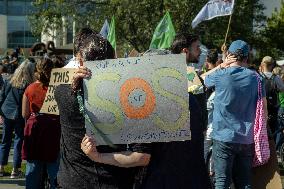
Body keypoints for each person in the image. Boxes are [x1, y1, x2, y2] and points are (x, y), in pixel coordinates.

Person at [55, 28, 150, 189]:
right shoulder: (131, 100)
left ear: (79, 62)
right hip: (115, 181)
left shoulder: (62, 93)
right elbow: (141, 157)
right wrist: (98, 157)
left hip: (73, 182)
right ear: (114, 60)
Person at [139, 33, 210, 189]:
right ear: (185, 51)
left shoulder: (192, 78)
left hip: (175, 165)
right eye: (197, 47)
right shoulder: (191, 78)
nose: (200, 51)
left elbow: (199, 123)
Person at [202, 40, 267, 189]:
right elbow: (263, 108)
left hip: (223, 137)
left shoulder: (220, 75)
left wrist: (221, 65)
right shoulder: (257, 78)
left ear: (229, 55)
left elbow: (199, 79)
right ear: (247, 57)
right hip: (246, 138)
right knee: (245, 182)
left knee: (222, 182)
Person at [22, 57, 61, 189]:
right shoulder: (58, 88)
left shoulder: (30, 88)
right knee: (55, 169)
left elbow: (25, 114)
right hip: (53, 130)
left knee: (33, 168)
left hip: (35, 130)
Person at [0, 59, 35, 178]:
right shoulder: (29, 84)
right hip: (20, 115)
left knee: (5, 140)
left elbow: (2, 97)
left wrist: (0, 113)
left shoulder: (10, 80)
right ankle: (15, 170)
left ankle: (1, 167)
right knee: (18, 141)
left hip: (7, 112)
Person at [259, 56, 284, 138]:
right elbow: (282, 89)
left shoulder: (257, 77)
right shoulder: (276, 78)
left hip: (260, 109)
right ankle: (272, 149)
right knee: (272, 132)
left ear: (262, 64)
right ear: (272, 65)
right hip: (273, 109)